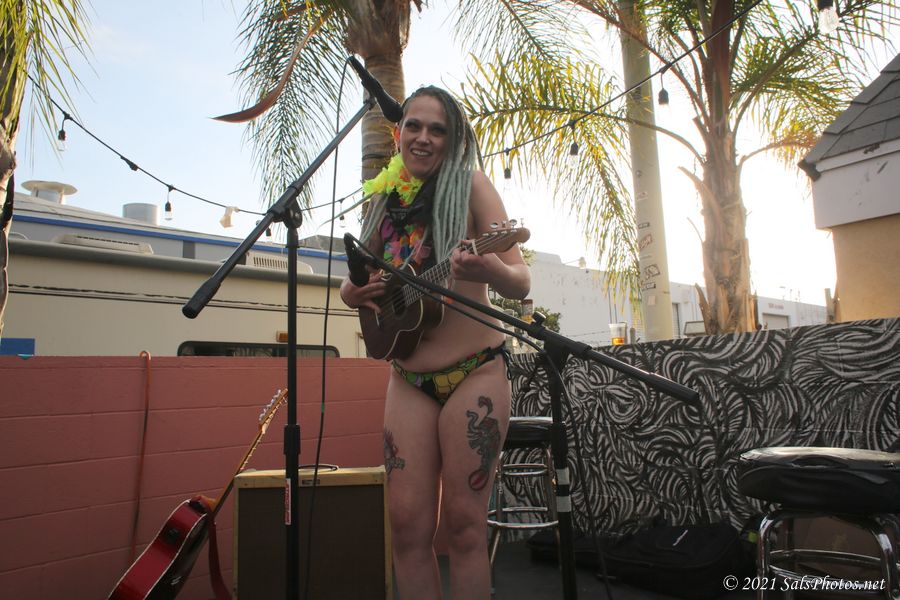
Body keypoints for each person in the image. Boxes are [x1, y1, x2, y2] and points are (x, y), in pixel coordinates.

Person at [340, 85, 531, 599]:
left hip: (475, 371)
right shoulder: (385, 197)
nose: (423, 137)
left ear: (454, 138)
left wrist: (490, 268)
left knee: (465, 527)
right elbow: (357, 280)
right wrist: (350, 292)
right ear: (399, 133)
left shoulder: (471, 184)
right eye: (414, 126)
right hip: (408, 377)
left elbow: (520, 280)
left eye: (437, 129)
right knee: (406, 525)